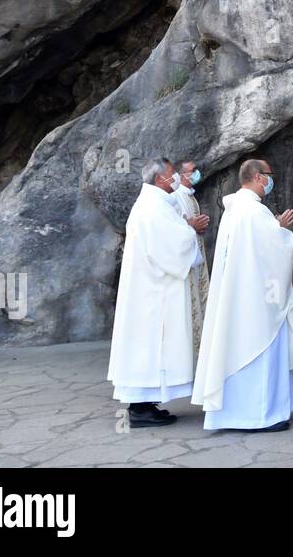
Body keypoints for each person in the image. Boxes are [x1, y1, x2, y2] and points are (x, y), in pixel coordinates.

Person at [192, 159, 293, 432]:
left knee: (236, 347)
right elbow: (273, 250)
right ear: (257, 177)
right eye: (269, 175)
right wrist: (282, 232)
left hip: (240, 295)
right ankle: (260, 416)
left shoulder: (235, 209)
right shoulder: (253, 212)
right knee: (259, 350)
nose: (271, 180)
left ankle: (239, 413)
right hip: (257, 302)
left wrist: (274, 227)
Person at [107, 158, 203, 428]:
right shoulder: (152, 208)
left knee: (148, 347)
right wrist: (189, 229)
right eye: (173, 174)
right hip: (152, 294)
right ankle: (139, 409)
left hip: (150, 290)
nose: (176, 179)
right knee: (148, 347)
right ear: (160, 179)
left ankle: (146, 404)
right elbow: (173, 244)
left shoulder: (154, 204)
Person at [167, 159, 211, 351]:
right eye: (192, 171)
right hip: (186, 262)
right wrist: (191, 226)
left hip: (196, 254)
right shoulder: (176, 197)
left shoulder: (191, 196)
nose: (196, 173)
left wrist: (198, 228)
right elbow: (173, 229)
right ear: (181, 174)